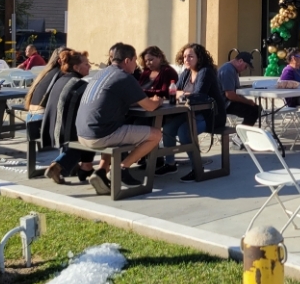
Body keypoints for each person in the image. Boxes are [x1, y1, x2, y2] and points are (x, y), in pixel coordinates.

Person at [76, 42, 163, 195]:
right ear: (127, 61)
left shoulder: (101, 74)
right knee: (156, 135)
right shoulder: (124, 77)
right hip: (100, 135)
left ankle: (102, 172)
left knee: (114, 127)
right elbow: (149, 106)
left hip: (82, 133)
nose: (137, 65)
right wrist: (158, 101)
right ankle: (121, 169)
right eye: (135, 60)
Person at [162, 43, 226, 181]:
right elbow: (173, 91)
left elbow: (198, 95)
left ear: (200, 57)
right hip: (190, 113)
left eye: (190, 56)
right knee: (168, 128)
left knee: (184, 131)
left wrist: (182, 94)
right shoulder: (186, 72)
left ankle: (197, 168)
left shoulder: (206, 71)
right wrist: (184, 94)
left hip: (211, 115)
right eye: (184, 56)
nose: (186, 59)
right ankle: (170, 164)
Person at [41, 49, 95, 184]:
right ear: (76, 67)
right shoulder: (80, 84)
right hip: (64, 130)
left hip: (50, 127)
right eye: (86, 64)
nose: (90, 66)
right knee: (91, 136)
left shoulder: (61, 80)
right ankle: (57, 166)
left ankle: (86, 168)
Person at [22, 47, 64, 146]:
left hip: (31, 120)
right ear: (61, 60)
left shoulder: (46, 73)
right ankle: (65, 160)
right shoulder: (60, 74)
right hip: (40, 124)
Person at [218, 51, 261, 127]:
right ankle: (240, 136)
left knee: (256, 109)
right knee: (254, 111)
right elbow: (230, 95)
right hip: (224, 104)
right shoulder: (228, 70)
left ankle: (241, 134)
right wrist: (247, 101)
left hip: (227, 102)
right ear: (240, 61)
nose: (245, 69)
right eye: (246, 66)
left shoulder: (232, 70)